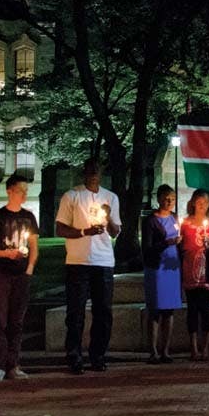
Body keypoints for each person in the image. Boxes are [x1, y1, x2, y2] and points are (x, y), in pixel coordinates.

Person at [55, 159, 122, 374]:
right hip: (78, 261)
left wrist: (108, 215)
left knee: (103, 311)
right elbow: (61, 229)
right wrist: (84, 232)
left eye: (96, 171)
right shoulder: (72, 196)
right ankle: (74, 355)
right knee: (76, 312)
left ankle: (98, 355)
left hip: (103, 261)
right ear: (84, 173)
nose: (93, 174)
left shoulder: (110, 197)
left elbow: (115, 231)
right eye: (89, 171)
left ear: (101, 173)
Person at [0, 174, 39, 382]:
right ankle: (0, 366)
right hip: (1, 274)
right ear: (10, 191)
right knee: (0, 320)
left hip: (21, 275)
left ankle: (14, 364)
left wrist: (29, 269)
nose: (24, 194)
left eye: (26, 191)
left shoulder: (29, 217)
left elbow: (34, 247)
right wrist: (6, 254)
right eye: (21, 190)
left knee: (17, 321)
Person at [180, 189, 209, 361]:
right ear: (193, 203)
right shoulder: (185, 223)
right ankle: (193, 347)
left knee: (206, 309)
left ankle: (206, 346)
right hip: (190, 269)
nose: (202, 205)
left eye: (205, 203)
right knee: (192, 309)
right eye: (199, 202)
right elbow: (181, 243)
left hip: (207, 271)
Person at [142, 184, 183, 364]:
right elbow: (147, 248)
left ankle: (166, 350)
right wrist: (167, 242)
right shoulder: (150, 221)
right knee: (155, 309)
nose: (169, 202)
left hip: (172, 267)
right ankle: (153, 351)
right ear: (158, 199)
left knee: (169, 310)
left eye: (172, 199)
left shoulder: (175, 218)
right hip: (157, 268)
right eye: (166, 198)